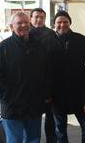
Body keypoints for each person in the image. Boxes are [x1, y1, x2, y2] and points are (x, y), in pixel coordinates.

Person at [0, 12, 49, 143]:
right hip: (12, 106)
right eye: (19, 23)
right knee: (14, 140)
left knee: (33, 139)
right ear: (11, 27)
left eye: (26, 23)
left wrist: (44, 95)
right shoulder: (3, 47)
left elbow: (45, 72)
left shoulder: (38, 46)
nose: (23, 25)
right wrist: (6, 96)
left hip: (34, 105)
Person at [53, 11, 85, 143]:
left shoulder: (81, 39)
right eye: (59, 22)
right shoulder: (49, 40)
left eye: (65, 21)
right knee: (60, 130)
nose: (62, 24)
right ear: (54, 24)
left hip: (79, 93)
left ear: (70, 23)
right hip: (57, 95)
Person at [30, 8, 59, 143]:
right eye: (36, 17)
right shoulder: (25, 33)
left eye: (42, 17)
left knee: (50, 119)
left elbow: (55, 61)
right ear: (31, 18)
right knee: (32, 120)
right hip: (30, 87)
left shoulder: (51, 34)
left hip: (49, 84)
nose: (39, 20)